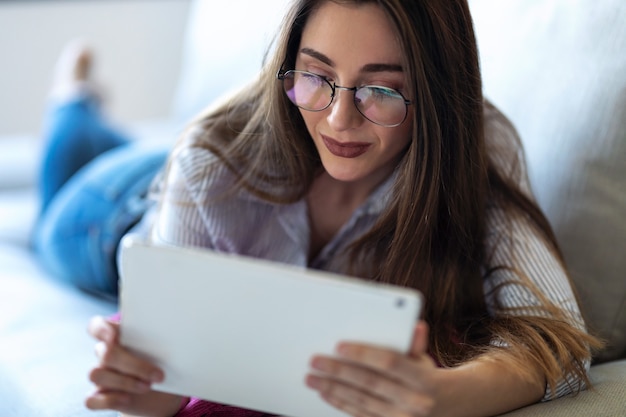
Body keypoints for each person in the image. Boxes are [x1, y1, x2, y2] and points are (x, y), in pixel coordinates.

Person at [34, 1, 602, 416]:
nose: (338, 121)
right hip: (112, 216)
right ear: (291, 66)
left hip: (210, 159)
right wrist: (140, 382)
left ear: (434, 97)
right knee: (60, 190)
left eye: (380, 90)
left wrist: (443, 395)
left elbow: (559, 338)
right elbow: (170, 376)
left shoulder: (473, 147)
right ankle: (73, 101)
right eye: (317, 77)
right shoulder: (208, 159)